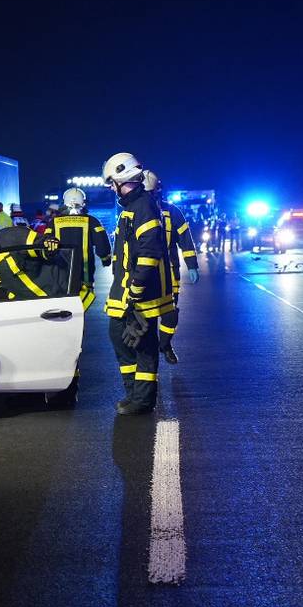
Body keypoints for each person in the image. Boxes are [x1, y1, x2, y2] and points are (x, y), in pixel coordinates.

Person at [103, 152, 173, 415]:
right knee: (120, 337)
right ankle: (133, 393)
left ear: (123, 178)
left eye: (112, 182)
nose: (111, 188)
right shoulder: (132, 207)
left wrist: (136, 290)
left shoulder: (142, 206)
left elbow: (149, 252)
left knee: (142, 345)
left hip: (141, 294)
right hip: (125, 291)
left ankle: (142, 400)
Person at [144, 171, 199, 364]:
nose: (151, 197)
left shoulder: (172, 212)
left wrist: (192, 265)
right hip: (145, 275)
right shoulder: (134, 213)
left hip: (169, 274)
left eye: (153, 193)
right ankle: (148, 354)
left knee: (170, 314)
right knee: (145, 319)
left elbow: (185, 239)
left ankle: (165, 344)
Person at [0, 211, 69, 300]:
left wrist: (49, 245)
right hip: (37, 309)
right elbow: (8, 288)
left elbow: (40, 246)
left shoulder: (11, 237)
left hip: (61, 299)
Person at [50, 187, 113, 309]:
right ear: (83, 203)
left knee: (62, 311)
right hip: (84, 276)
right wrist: (106, 259)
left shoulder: (53, 223)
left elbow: (45, 243)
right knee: (80, 309)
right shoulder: (92, 221)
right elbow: (102, 245)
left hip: (60, 276)